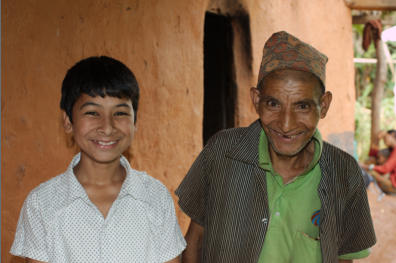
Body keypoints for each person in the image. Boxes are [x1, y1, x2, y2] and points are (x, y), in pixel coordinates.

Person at [176, 31, 376, 263]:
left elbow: (344, 258)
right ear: (256, 100)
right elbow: (195, 240)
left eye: (302, 106)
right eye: (273, 104)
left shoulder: (344, 172)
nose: (286, 124)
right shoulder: (222, 152)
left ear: (324, 105)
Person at [10, 56, 186, 262]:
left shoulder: (155, 198)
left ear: (135, 121)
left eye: (120, 113)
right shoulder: (42, 204)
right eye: (93, 112)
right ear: (68, 121)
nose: (107, 127)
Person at [361, 130, 396, 194]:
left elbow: (385, 169)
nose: (384, 140)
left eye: (385, 137)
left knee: (371, 173)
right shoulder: (391, 149)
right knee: (372, 160)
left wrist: (365, 166)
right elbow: (372, 155)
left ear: (393, 135)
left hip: (394, 186)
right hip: (390, 180)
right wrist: (377, 139)